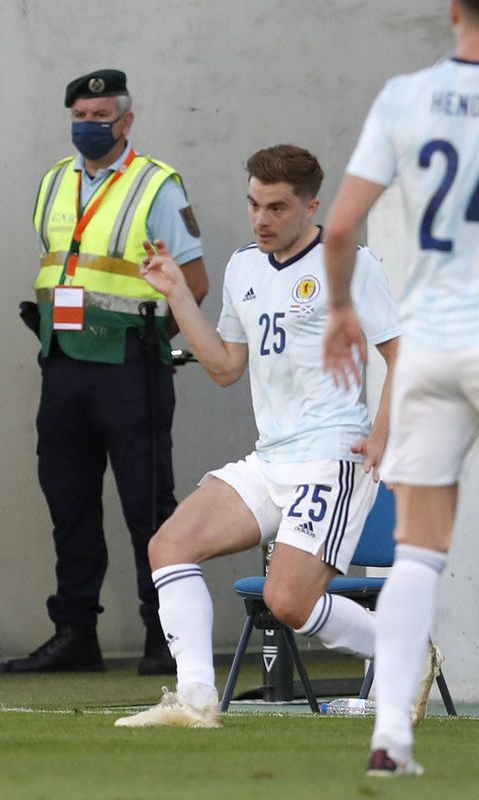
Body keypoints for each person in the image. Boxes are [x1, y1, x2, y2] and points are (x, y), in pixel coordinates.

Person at [113, 145, 401, 728]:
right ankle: (195, 699)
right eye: (252, 204)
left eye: (276, 207)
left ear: (311, 205)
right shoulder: (244, 265)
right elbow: (223, 367)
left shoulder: (347, 260)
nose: (261, 219)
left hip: (331, 455)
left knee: (288, 603)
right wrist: (173, 291)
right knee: (169, 546)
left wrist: (382, 436)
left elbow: (404, 354)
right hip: (271, 459)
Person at [6, 69, 208, 677]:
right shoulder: (53, 183)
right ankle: (76, 634)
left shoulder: (157, 185)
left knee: (148, 507)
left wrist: (146, 340)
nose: (87, 125)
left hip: (129, 367)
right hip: (63, 366)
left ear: (126, 121)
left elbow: (193, 285)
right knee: (68, 505)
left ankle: (164, 635)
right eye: (79, 115)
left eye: (99, 115)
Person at [321, 0, 479, 777]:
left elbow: (343, 226)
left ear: (453, 10)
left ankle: (391, 738)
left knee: (418, 553)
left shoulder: (405, 95)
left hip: (428, 346)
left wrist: (342, 307)